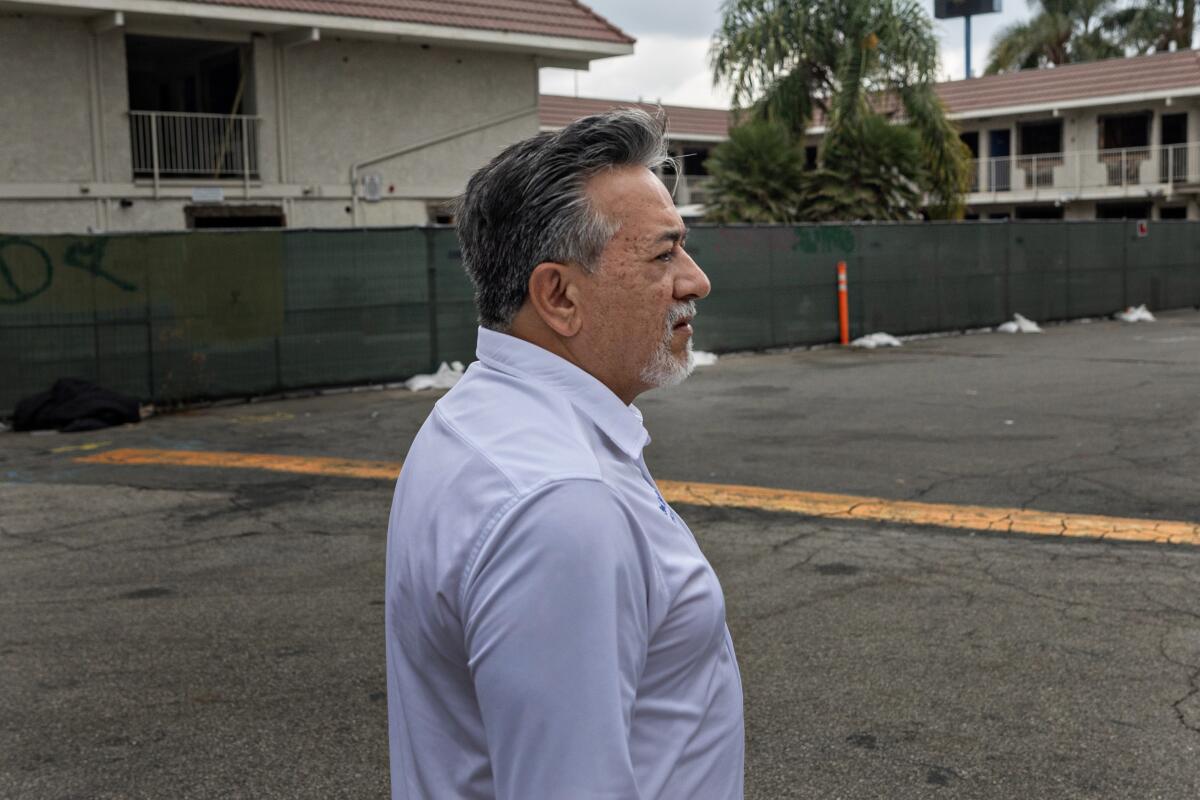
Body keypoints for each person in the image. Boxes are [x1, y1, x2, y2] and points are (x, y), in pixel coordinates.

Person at [384, 109, 744, 800]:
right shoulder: (560, 503)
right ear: (558, 296)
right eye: (663, 255)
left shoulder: (474, 420)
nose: (695, 281)